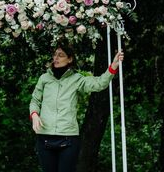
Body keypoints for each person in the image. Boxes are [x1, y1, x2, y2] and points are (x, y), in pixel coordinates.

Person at [29, 44, 124, 172]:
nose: (56, 58)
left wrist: (113, 66)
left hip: (68, 138)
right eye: (55, 54)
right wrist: (34, 114)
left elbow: (99, 83)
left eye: (61, 55)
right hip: (44, 136)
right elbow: (35, 100)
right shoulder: (44, 78)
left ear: (70, 59)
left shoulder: (77, 79)